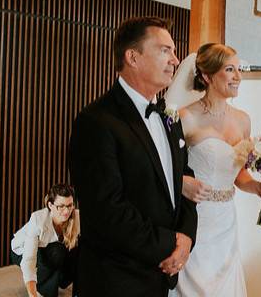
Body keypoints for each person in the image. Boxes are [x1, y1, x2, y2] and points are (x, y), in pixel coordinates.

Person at [68, 17, 198, 297]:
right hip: (117, 279)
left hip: (162, 275)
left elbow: (184, 177)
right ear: (133, 57)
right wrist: (169, 244)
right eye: (165, 50)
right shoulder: (96, 121)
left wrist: (187, 236)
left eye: (174, 52)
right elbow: (107, 210)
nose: (175, 60)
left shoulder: (169, 116)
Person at [165, 43, 261, 297]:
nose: (238, 77)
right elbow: (167, 170)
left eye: (238, 69)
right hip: (195, 219)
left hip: (226, 223)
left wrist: (259, 188)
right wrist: (183, 181)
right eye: (230, 69)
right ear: (207, 76)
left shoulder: (243, 120)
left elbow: (239, 174)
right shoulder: (186, 117)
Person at [11, 183, 80, 297]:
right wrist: (32, 294)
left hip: (51, 251)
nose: (66, 211)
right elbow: (29, 259)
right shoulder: (38, 220)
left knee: (80, 249)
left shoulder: (76, 217)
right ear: (50, 205)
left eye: (69, 205)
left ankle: (62, 281)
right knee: (57, 251)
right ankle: (44, 291)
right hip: (21, 251)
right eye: (61, 206)